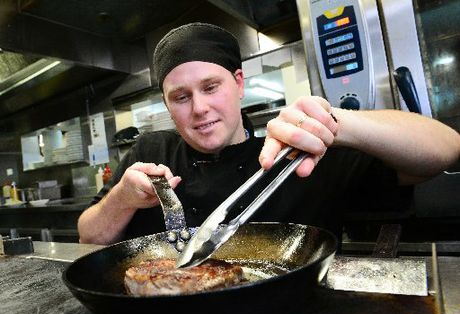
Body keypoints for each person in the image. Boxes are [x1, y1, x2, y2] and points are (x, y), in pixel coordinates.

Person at [78, 22, 460, 246]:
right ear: (166, 104)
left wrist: (335, 122)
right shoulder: (150, 151)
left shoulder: (298, 153)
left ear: (239, 83)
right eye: (180, 97)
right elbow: (88, 237)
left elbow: (446, 149)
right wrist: (122, 199)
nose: (198, 108)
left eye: (211, 87)